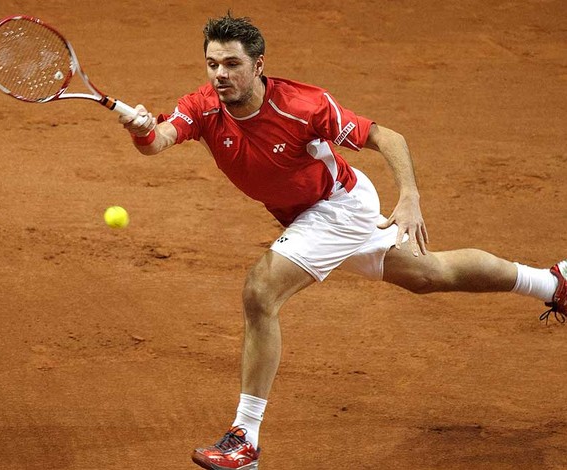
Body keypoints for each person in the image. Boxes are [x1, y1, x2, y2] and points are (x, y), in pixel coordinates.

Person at [120, 13, 566, 470]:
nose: (220, 75)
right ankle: (551, 283)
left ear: (258, 66)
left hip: (338, 208)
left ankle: (244, 439)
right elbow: (159, 140)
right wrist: (141, 129)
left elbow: (385, 136)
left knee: (260, 292)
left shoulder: (301, 105)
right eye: (212, 64)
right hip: (306, 215)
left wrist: (409, 196)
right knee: (428, 275)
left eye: (232, 64)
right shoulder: (202, 105)